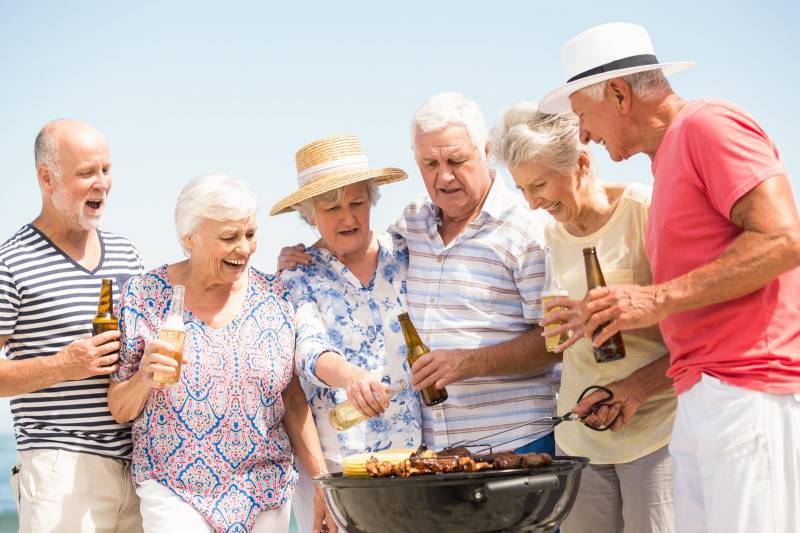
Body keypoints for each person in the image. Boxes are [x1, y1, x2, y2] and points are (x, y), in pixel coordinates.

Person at [539, 22, 800, 533]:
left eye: (582, 117)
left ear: (617, 93)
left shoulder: (709, 124)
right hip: (701, 397)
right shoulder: (666, 163)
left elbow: (783, 239)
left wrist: (656, 298)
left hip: (747, 391)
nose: (584, 135)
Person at [107, 174, 335, 533]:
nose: (243, 249)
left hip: (263, 489)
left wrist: (322, 482)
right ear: (189, 237)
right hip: (174, 487)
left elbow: (292, 401)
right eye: (229, 237)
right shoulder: (144, 296)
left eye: (250, 234)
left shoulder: (275, 297)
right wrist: (143, 378)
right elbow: (120, 408)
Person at [492, 103, 676, 533]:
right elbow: (560, 342)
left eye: (538, 184)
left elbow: (695, 329)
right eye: (521, 190)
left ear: (581, 162)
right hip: (581, 443)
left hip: (654, 434)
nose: (533, 203)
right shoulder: (552, 234)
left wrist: (611, 327)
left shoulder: (642, 211)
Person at [271, 135, 422, 532]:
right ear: (309, 214)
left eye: (357, 203)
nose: (347, 217)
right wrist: (353, 378)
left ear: (372, 201)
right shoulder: (298, 274)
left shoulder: (404, 253)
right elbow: (310, 349)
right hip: (340, 467)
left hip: (415, 459)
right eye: (331, 207)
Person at [394, 92, 560, 454]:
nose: (445, 176)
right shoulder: (412, 222)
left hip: (518, 443)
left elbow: (557, 340)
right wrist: (307, 257)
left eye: (456, 160)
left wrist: (469, 363)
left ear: (485, 152)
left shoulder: (527, 227)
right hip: (437, 453)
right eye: (430, 164)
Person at [0, 119, 143, 532]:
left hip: (137, 468)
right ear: (47, 178)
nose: (102, 184)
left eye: (106, 170)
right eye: (86, 173)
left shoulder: (126, 252)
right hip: (60, 467)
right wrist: (62, 365)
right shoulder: (11, 262)